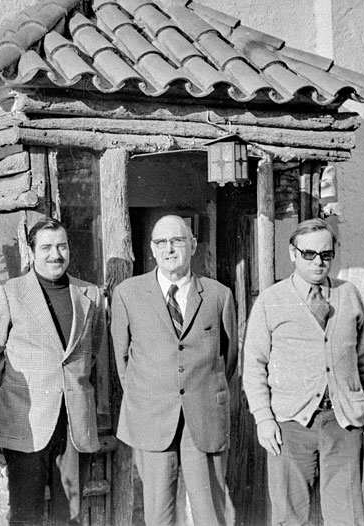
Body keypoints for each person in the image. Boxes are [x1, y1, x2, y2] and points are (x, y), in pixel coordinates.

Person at [243, 217, 364, 526]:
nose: (319, 262)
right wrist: (264, 419)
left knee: (346, 515)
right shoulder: (271, 300)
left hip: (343, 421)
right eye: (309, 254)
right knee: (290, 515)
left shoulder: (348, 294)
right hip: (291, 423)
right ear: (293, 253)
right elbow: (253, 364)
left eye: (326, 254)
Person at [0, 218, 103, 526]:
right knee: (26, 514)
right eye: (46, 247)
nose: (55, 255)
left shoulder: (89, 294)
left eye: (62, 246)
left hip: (74, 423)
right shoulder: (10, 292)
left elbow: (93, 351)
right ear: (31, 252)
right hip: (27, 420)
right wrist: (18, 387)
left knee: (69, 515)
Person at [110, 214, 237, 526]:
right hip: (152, 417)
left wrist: (203, 392)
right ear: (152, 249)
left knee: (211, 512)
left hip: (204, 416)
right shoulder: (128, 294)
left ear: (192, 245)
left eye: (177, 240)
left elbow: (229, 357)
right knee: (158, 514)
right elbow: (122, 360)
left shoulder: (218, 295)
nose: (169, 249)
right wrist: (147, 395)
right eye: (161, 242)